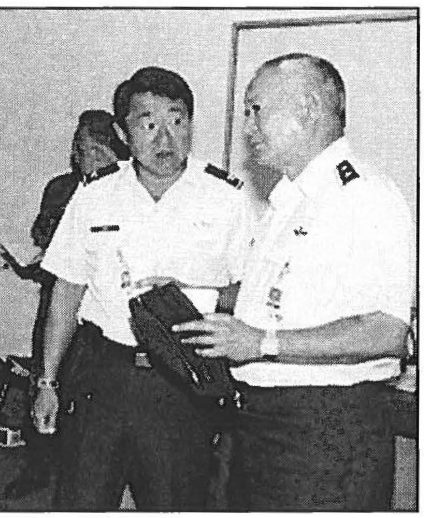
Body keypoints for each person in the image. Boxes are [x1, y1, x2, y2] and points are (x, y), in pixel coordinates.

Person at [174, 53, 413, 511]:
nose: (247, 127)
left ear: (307, 108)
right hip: (262, 424)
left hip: (325, 431)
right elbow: (270, 301)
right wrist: (192, 295)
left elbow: (387, 332)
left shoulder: (365, 197)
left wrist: (262, 343)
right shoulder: (290, 199)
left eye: (255, 109)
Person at [33, 67, 251, 510]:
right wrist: (48, 381)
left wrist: (194, 291)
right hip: (102, 375)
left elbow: (246, 295)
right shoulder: (94, 197)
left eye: (177, 120)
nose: (165, 138)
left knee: (176, 502)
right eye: (148, 123)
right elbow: (66, 293)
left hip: (182, 382)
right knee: (82, 500)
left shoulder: (226, 200)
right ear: (122, 132)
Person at [1, 110, 128, 499]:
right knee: (44, 377)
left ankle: (82, 466)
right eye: (79, 148)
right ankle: (37, 464)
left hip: (101, 312)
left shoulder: (126, 190)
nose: (84, 156)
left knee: (86, 392)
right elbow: (42, 232)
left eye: (93, 148)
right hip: (57, 297)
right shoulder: (60, 188)